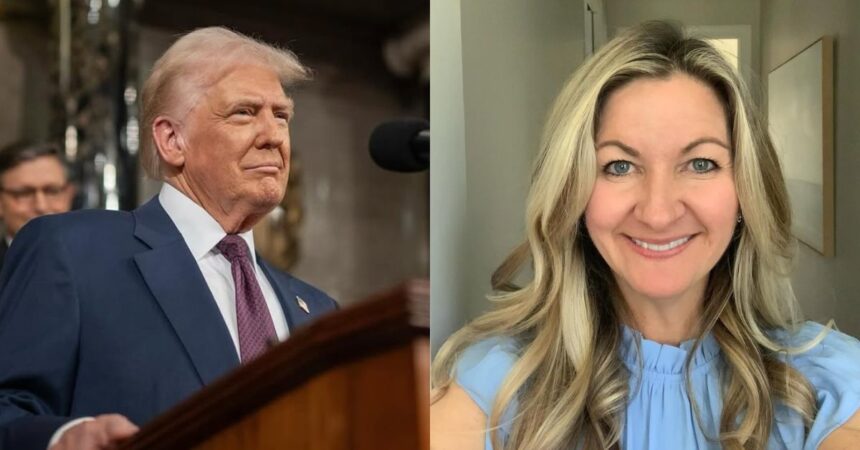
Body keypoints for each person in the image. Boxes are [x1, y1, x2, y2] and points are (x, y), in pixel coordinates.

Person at [430, 21, 860, 450]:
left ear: (746, 192)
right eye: (619, 166)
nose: (658, 213)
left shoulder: (827, 386)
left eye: (701, 163)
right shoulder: (496, 385)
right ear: (572, 194)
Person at [0, 27, 338, 450]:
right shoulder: (73, 252)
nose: (273, 136)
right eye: (244, 113)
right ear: (172, 140)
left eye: (282, 116)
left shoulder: (319, 312)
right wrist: (64, 439)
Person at [0, 142, 75, 273]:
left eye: (52, 191)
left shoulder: (99, 266)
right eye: (24, 193)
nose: (41, 206)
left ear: (69, 195)